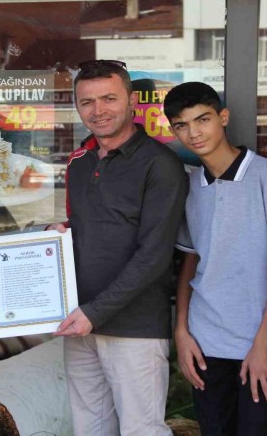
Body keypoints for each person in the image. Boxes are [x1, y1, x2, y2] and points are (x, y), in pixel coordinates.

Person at [48, 60, 188, 436]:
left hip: (134, 328)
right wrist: (58, 236)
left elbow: (154, 255)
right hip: (81, 324)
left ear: (131, 101)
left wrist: (94, 313)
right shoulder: (81, 162)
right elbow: (97, 227)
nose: (98, 110)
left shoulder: (160, 165)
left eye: (109, 98)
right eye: (87, 101)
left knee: (142, 430)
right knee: (89, 428)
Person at [164, 82, 267, 436]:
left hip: (260, 343)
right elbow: (190, 263)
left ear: (223, 117)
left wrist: (265, 341)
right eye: (182, 125)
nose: (194, 133)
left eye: (202, 119)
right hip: (206, 342)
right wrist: (182, 332)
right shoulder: (190, 186)